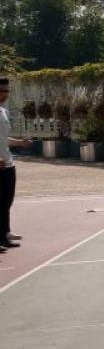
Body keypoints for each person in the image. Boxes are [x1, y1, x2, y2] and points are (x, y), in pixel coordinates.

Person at [1, 78, 33, 252]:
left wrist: (21, 143)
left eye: (6, 91)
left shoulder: (3, 111)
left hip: (8, 162)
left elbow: (3, 139)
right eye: (1, 91)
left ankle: (5, 233)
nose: (4, 94)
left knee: (7, 200)